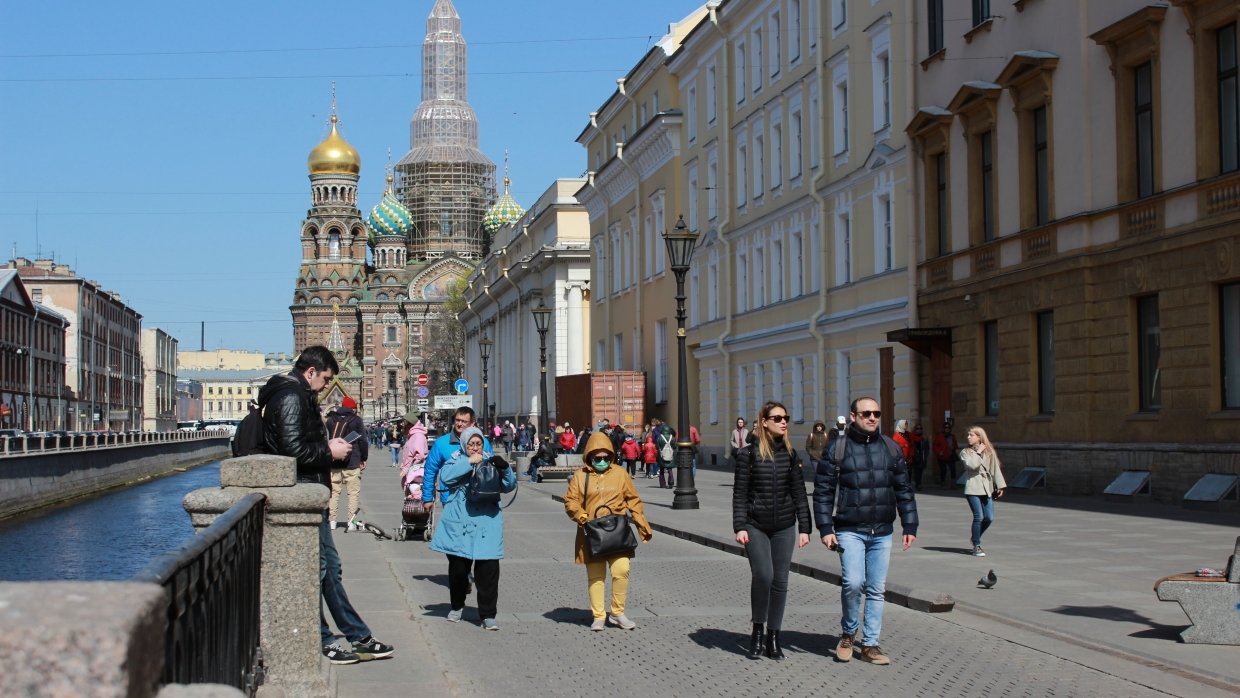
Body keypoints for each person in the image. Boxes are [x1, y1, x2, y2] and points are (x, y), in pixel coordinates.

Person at [258, 345, 394, 665]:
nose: (326, 385)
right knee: (320, 570)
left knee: (330, 568)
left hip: (311, 494)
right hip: (301, 495)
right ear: (311, 372)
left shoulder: (298, 394)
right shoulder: (292, 397)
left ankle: (357, 635)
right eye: (326, 378)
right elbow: (292, 451)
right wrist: (328, 451)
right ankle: (325, 639)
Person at [813, 396, 918, 666]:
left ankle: (870, 644)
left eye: (876, 413)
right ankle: (848, 633)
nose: (872, 418)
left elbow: (904, 489)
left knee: (876, 589)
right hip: (850, 528)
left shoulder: (891, 448)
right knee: (853, 583)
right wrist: (825, 527)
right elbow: (823, 491)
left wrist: (910, 523)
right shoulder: (837, 448)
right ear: (853, 416)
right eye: (866, 413)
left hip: (882, 529)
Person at [733, 402, 811, 661]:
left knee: (780, 581)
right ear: (764, 422)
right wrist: (740, 526)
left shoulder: (790, 453)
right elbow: (740, 494)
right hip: (756, 525)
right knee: (763, 575)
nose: (783, 421)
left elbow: (799, 492)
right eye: (777, 418)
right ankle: (757, 630)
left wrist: (805, 528)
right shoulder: (748, 454)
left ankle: (773, 636)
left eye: (785, 417)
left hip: (785, 526)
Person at [428, 427, 517, 629]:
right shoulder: (455, 459)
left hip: (487, 522)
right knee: (459, 570)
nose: (475, 448)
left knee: (488, 572)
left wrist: (505, 468)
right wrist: (468, 462)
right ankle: (457, 606)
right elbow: (446, 477)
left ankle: (487, 615)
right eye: (471, 444)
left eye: (478, 444)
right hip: (461, 523)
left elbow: (508, 486)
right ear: (464, 445)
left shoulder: (489, 460)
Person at [563, 431, 653, 631]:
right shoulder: (580, 476)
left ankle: (618, 612)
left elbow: (633, 500)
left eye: (605, 457)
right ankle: (598, 616)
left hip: (617, 531)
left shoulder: (620, 473)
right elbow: (571, 501)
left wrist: (642, 524)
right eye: (597, 458)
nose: (602, 461)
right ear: (589, 457)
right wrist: (582, 516)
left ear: (611, 456)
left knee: (621, 570)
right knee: (596, 576)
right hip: (592, 532)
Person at [422, 406, 491, 515]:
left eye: (464, 421)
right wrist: (427, 498)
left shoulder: (483, 443)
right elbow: (430, 471)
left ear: (472, 423)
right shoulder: (441, 443)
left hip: (478, 498)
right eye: (457, 420)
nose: (459, 424)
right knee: (453, 531)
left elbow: (490, 471)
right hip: (450, 499)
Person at [960, 426, 1006, 557]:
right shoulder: (965, 452)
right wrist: (978, 452)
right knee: (978, 516)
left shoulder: (989, 451)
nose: (968, 437)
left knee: (989, 517)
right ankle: (976, 545)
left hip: (987, 488)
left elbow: (995, 469)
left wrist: (1000, 486)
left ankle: (976, 536)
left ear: (979, 437)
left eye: (971, 435)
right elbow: (972, 465)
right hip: (973, 488)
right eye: (968, 435)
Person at [325, 396, 367, 532]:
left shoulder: (331, 420)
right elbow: (363, 441)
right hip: (352, 461)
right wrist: (363, 458)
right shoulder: (356, 420)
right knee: (353, 493)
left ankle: (332, 521)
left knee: (334, 493)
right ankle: (351, 522)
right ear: (352, 408)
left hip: (334, 461)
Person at [910, 423, 929, 491]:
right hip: (915, 457)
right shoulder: (912, 436)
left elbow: (927, 447)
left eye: (920, 428)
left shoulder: (924, 437)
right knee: (916, 471)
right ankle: (918, 484)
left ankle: (919, 483)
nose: (919, 430)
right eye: (917, 428)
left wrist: (926, 455)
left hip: (922, 456)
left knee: (920, 471)